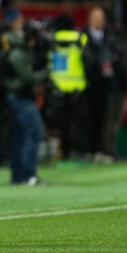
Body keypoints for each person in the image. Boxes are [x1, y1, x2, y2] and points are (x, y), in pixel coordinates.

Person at [0, 9, 46, 185]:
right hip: (21, 97)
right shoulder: (17, 51)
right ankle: (28, 174)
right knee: (33, 134)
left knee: (19, 136)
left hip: (16, 97)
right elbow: (28, 77)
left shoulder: (13, 47)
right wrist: (45, 74)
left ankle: (18, 175)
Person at [82, 7, 125, 161]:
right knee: (88, 119)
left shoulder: (111, 37)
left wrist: (111, 62)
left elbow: (118, 55)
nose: (99, 21)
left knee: (106, 119)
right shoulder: (83, 37)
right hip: (88, 84)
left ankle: (104, 150)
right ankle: (88, 150)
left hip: (107, 84)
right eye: (96, 18)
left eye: (101, 18)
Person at [47, 14, 88, 159]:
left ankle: (64, 151)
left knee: (63, 123)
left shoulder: (52, 39)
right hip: (77, 85)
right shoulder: (79, 38)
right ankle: (79, 150)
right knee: (78, 122)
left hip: (58, 84)